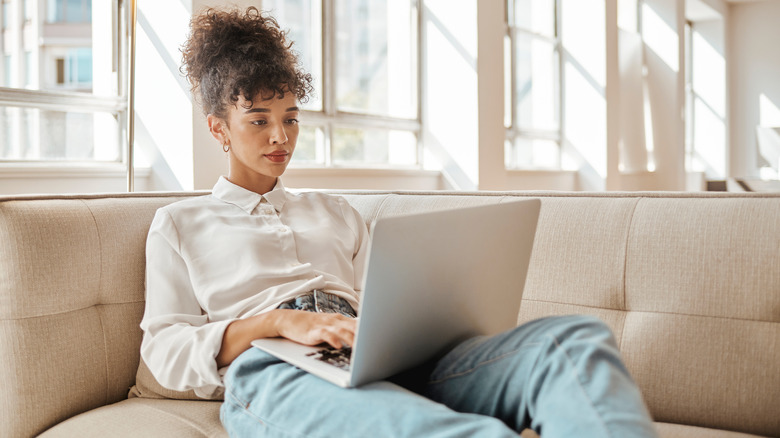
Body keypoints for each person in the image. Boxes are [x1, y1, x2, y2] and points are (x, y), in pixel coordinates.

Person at [140, 6, 658, 438]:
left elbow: (384, 304)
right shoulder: (181, 224)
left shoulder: (335, 213)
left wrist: (416, 328)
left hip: (375, 356)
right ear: (218, 129)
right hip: (276, 373)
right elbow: (164, 350)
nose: (281, 137)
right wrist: (279, 322)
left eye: (291, 118)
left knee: (572, 344)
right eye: (259, 121)